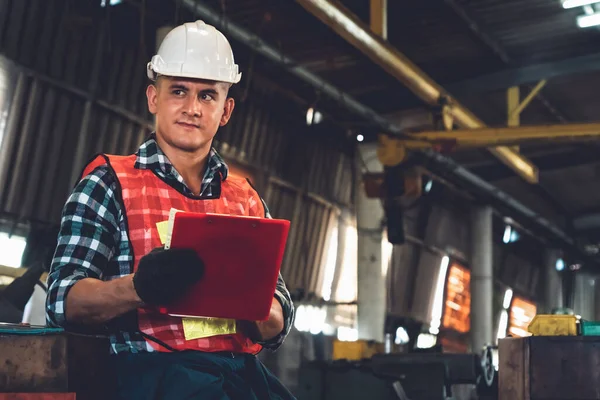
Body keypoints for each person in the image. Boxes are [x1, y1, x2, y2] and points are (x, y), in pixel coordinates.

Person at [46, 20, 296, 400]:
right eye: (178, 90)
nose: (192, 108)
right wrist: (137, 288)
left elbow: (279, 315)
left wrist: (254, 308)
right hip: (150, 376)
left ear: (226, 110)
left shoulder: (246, 200)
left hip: (240, 377)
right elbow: (62, 300)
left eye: (207, 95)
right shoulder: (109, 182)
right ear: (153, 98)